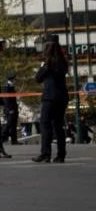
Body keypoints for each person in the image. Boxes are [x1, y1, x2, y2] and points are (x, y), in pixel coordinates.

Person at [33, 34, 69, 163]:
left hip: (50, 97)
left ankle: (45, 154)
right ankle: (61, 155)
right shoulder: (62, 61)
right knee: (58, 126)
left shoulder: (47, 62)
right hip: (62, 97)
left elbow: (38, 78)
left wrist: (42, 65)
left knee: (45, 124)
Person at [2, 72, 19, 145]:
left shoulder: (11, 86)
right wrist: (10, 109)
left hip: (14, 108)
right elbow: (7, 100)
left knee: (14, 124)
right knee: (9, 123)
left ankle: (14, 140)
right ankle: (2, 137)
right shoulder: (7, 87)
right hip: (10, 109)